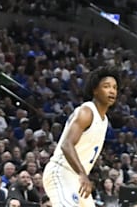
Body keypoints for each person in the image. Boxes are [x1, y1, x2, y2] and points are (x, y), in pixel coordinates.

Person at [43, 67, 120, 207]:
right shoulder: (87, 112)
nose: (112, 91)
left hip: (77, 179)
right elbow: (66, 144)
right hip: (61, 172)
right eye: (106, 86)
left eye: (114, 87)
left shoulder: (104, 120)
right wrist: (82, 174)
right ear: (95, 90)